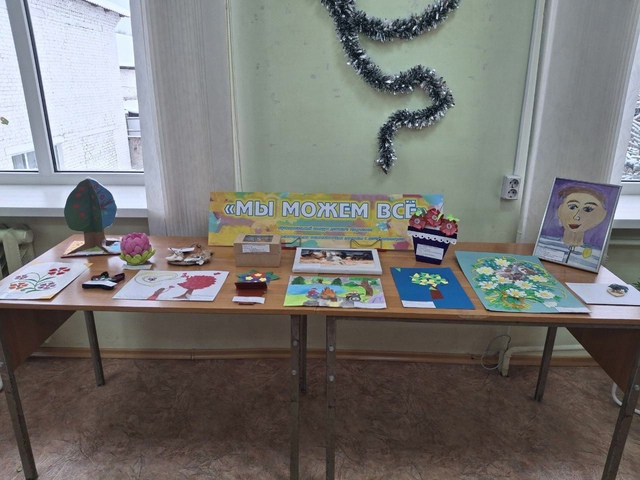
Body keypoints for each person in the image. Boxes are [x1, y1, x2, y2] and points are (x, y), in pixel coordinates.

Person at [535, 185, 608, 270]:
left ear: (602, 216)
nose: (576, 216)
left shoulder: (596, 256)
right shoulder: (542, 244)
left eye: (588, 209)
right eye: (572, 207)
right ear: (559, 210)